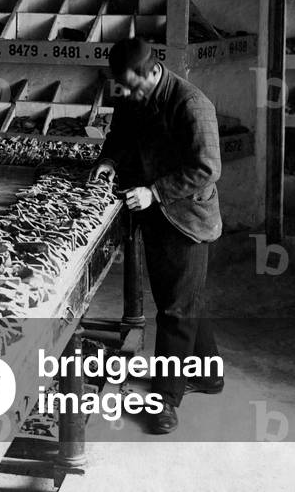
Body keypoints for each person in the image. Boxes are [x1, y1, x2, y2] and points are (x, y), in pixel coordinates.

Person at [90, 37, 224, 434]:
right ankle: (209, 375)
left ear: (154, 71)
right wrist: (109, 162)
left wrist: (155, 192)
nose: (128, 94)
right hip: (154, 211)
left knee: (175, 309)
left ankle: (166, 399)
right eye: (123, 88)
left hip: (187, 216)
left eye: (134, 86)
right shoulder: (133, 93)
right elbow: (121, 135)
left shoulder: (191, 104)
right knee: (180, 297)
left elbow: (206, 167)